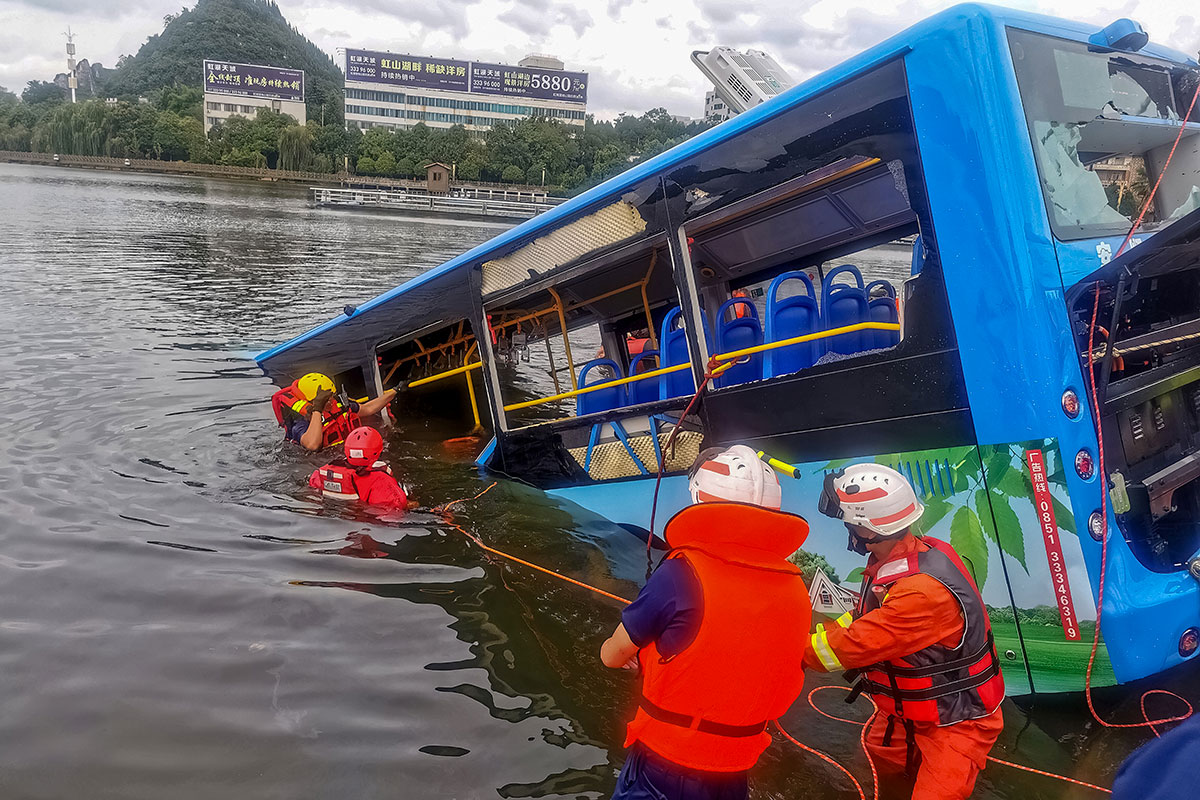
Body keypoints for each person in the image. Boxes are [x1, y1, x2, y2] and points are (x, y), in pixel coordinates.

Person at [600, 444, 812, 800]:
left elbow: (612, 655)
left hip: (665, 763)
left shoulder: (680, 572)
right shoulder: (795, 585)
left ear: (700, 498)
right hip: (735, 766)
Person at [807, 464, 1005, 800]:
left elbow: (853, 644)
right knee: (870, 772)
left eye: (849, 521)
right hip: (905, 715)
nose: (846, 527)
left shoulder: (921, 593)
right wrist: (811, 633)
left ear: (867, 529)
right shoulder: (901, 559)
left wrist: (792, 650)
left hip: (956, 723)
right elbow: (860, 621)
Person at [271, 372, 400, 451]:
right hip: (319, 461)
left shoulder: (337, 405)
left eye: (331, 397)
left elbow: (368, 408)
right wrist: (317, 409)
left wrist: (395, 391)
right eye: (324, 400)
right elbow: (312, 445)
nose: (330, 402)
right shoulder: (300, 423)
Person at [308, 427, 408, 510]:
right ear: (378, 451)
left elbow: (312, 491)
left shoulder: (321, 473)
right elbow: (395, 508)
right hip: (361, 520)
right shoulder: (380, 480)